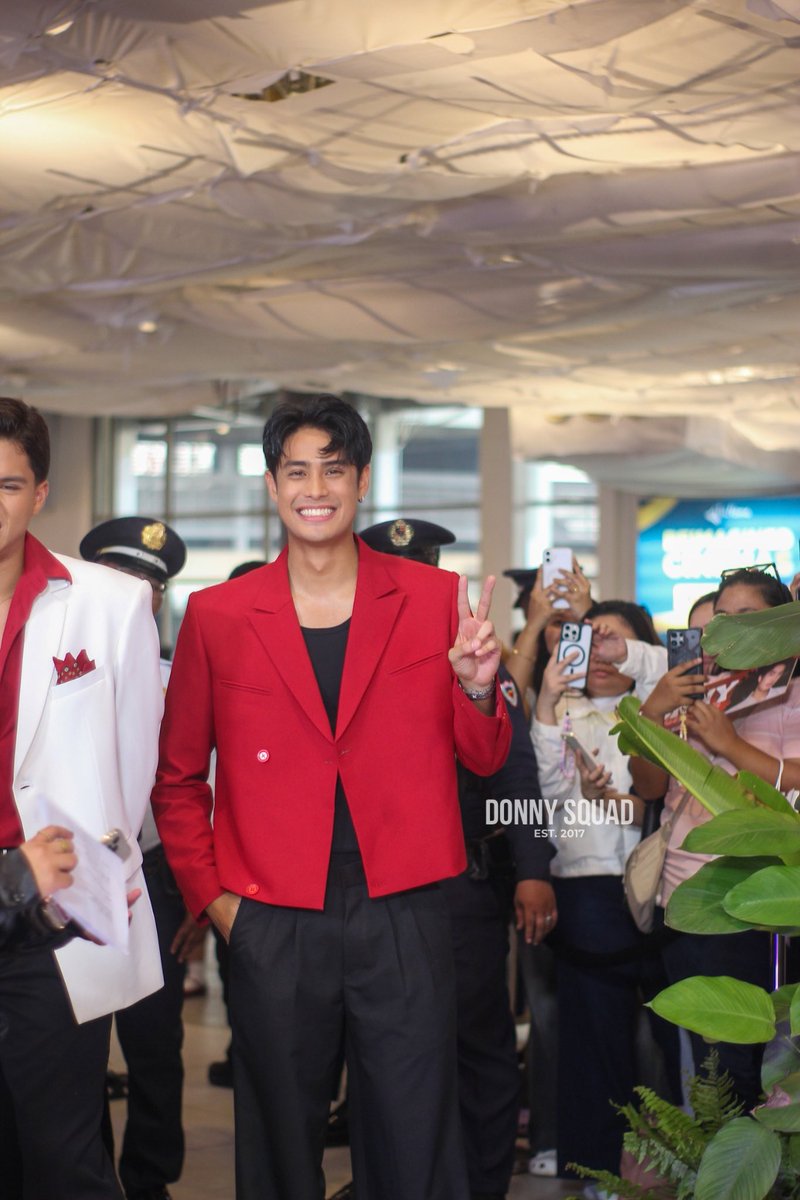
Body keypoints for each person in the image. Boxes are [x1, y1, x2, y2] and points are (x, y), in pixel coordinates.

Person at [152, 394, 511, 1200]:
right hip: (272, 913)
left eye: (334, 470)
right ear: (272, 485)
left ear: (362, 481)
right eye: (297, 472)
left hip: (406, 905)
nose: (315, 489)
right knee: (278, 1141)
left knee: (414, 1136)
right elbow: (177, 778)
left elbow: (484, 755)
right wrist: (218, 903)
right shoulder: (219, 614)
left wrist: (477, 688)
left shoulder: (431, 598)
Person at [359, 518, 555, 1200]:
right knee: (385, 1049)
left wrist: (533, 871)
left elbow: (516, 774)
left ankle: (480, 1183)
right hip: (373, 889)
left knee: (478, 1046)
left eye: (424, 573)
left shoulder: (478, 663)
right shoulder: (354, 663)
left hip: (463, 890)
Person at [0, 396, 164, 1199]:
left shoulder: (109, 601)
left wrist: (90, 866)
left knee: (63, 1155)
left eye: (6, 484)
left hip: (57, 913)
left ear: (40, 493)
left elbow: (134, 767)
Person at [631, 570, 800, 1109]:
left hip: (760, 897)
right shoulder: (695, 689)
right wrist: (654, 711)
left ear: (779, 622)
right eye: (721, 618)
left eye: (747, 617)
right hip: (685, 894)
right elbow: (648, 787)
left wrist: (728, 744)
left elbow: (795, 783)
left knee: (755, 1058)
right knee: (705, 1060)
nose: (729, 629)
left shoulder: (793, 689)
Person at [532, 599, 681, 1178]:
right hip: (587, 888)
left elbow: (654, 805)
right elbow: (547, 793)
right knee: (594, 1038)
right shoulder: (560, 712)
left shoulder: (661, 707)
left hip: (664, 885)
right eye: (590, 642)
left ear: (638, 648)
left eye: (614, 642)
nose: (599, 654)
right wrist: (547, 701)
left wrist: (618, 804)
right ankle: (595, 1166)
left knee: (672, 1036)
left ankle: (680, 1163)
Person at [80, 515, 203, 1200]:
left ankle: (150, 1177)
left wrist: (196, 895)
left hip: (157, 876)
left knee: (156, 1042)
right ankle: (90, 1173)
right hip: (74, 872)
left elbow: (208, 790)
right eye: (120, 576)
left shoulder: (176, 679)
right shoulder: (57, 667)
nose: (135, 593)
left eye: (149, 583)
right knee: (76, 1040)